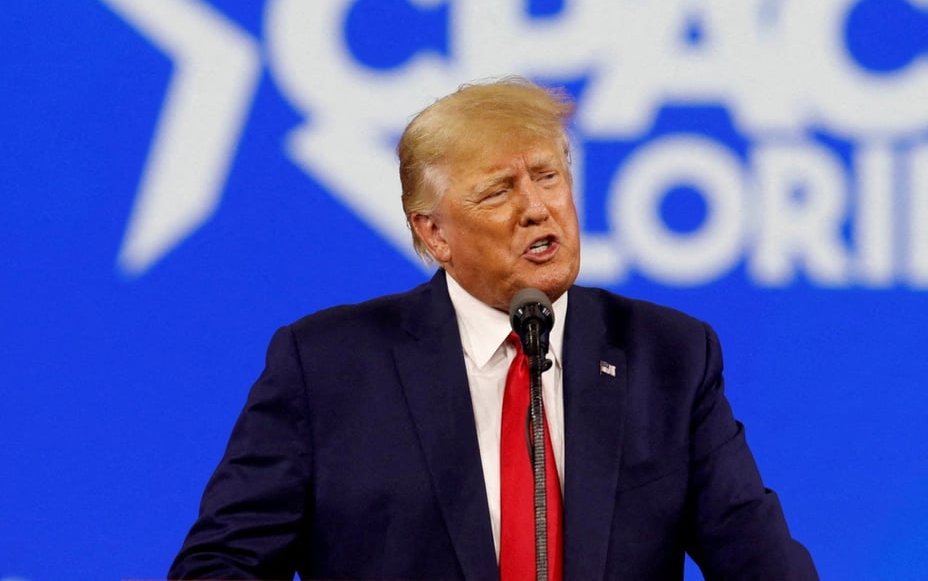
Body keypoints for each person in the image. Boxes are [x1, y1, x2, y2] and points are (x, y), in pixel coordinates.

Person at [169, 77, 817, 580]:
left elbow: (759, 560)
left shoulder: (668, 357)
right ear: (433, 232)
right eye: (498, 191)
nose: (537, 208)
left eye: (548, 176)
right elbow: (222, 563)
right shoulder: (328, 366)